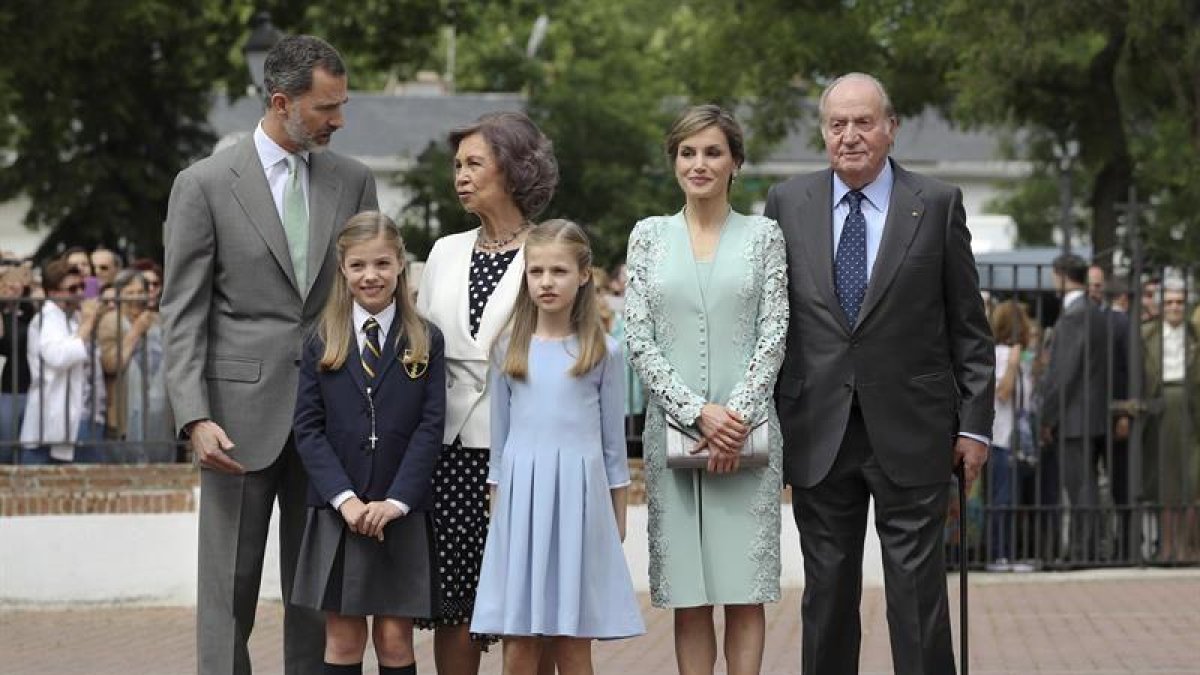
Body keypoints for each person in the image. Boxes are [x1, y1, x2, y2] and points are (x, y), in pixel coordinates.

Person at [161, 34, 378, 675]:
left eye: (342, 105)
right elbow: (182, 311)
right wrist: (193, 415)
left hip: (331, 416)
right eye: (325, 108)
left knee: (317, 593)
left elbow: (369, 298)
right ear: (281, 102)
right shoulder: (202, 185)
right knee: (228, 593)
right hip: (234, 419)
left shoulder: (355, 180)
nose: (339, 120)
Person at [764, 73, 994, 674]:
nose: (850, 136)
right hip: (819, 427)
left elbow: (969, 327)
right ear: (823, 134)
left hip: (915, 430)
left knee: (917, 595)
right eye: (837, 124)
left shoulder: (938, 204)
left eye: (863, 122)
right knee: (828, 591)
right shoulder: (787, 203)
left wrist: (975, 426)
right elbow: (773, 322)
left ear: (890, 129)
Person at [625, 104, 787, 675]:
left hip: (750, 436)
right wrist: (698, 414)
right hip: (674, 437)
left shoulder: (764, 236)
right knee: (689, 599)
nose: (699, 164)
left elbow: (775, 331)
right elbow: (637, 336)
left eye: (712, 152)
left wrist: (734, 418)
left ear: (735, 162)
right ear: (674, 161)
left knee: (745, 592)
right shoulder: (647, 237)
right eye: (688, 152)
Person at [415, 110, 557, 675]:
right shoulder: (445, 251)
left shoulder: (549, 250)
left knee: (526, 607)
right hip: (447, 453)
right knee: (454, 604)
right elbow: (420, 350)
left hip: (520, 452)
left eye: (475, 163)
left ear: (516, 169)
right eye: (457, 165)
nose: (461, 175)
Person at [472, 219, 644, 674]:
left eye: (559, 271)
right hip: (521, 504)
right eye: (537, 271)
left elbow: (612, 447)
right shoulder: (508, 349)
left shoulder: (603, 351)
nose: (546, 282)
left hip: (580, 506)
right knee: (520, 644)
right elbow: (499, 443)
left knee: (572, 643)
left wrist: (617, 521)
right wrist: (499, 517)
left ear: (584, 275)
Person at [291, 212, 444, 675]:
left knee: (395, 639)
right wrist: (346, 501)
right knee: (342, 637)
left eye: (381, 263)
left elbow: (430, 426)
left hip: (401, 511)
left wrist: (397, 500)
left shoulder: (426, 339)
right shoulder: (322, 339)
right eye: (358, 265)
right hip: (341, 512)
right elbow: (308, 429)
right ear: (342, 269)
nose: (370, 276)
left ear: (400, 264)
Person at [1039, 254, 1111, 564]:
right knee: (1088, 485)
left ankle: (1085, 551)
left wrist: (1047, 417)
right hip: (1091, 412)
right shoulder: (1094, 311)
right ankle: (1090, 547)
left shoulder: (1072, 315)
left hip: (1073, 415)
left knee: (1079, 487)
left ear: (1061, 275)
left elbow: (1063, 373)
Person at [19, 259, 103, 464]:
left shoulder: (72, 317)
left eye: (82, 286)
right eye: (72, 288)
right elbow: (58, 357)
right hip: (51, 418)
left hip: (78, 416)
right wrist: (89, 322)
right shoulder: (47, 318)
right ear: (54, 292)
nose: (80, 292)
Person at [1140, 280, 1199, 561]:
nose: (1174, 307)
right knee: (1165, 481)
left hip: (1192, 409)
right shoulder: (1146, 334)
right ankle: (1166, 548)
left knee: (1192, 480)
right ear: (1162, 307)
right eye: (1169, 302)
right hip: (1159, 408)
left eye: (1179, 302)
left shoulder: (1196, 335)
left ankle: (1187, 548)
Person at [986, 300, 1035, 570]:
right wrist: (1013, 364)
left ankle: (1009, 553)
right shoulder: (1000, 354)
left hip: (1013, 439)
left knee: (1012, 498)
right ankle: (998, 554)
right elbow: (1002, 393)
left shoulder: (1017, 354)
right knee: (1002, 498)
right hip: (999, 437)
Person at [0, 264, 34, 460]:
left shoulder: (29, 311)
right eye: (7, 284)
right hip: (7, 389)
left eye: (17, 284)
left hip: (30, 387)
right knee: (5, 447)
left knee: (26, 449)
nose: (13, 288)